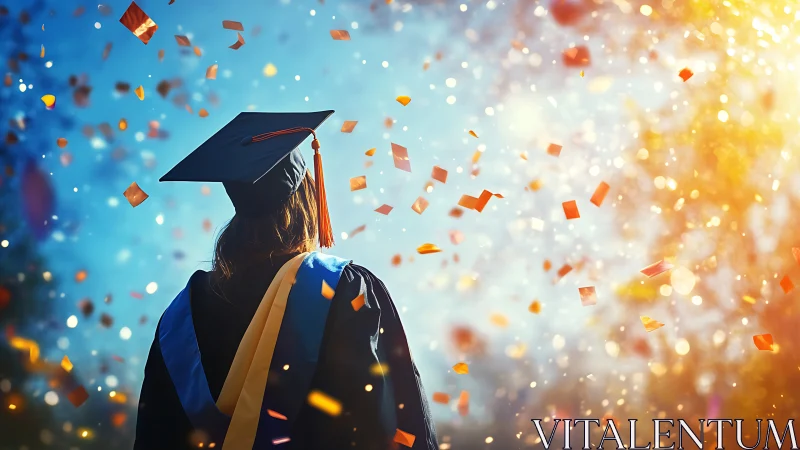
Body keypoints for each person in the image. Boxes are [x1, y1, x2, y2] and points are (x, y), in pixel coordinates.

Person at [134, 111, 438, 450]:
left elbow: (155, 433)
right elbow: (388, 420)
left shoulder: (182, 316)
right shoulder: (342, 289)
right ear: (307, 199)